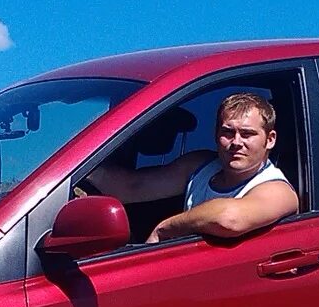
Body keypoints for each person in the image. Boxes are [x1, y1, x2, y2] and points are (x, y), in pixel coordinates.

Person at [80, 92, 298, 243]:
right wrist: (79, 168)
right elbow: (131, 187)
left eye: (248, 134)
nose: (236, 142)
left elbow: (229, 218)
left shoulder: (277, 189)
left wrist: (164, 229)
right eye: (227, 132)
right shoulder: (200, 165)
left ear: (270, 139)